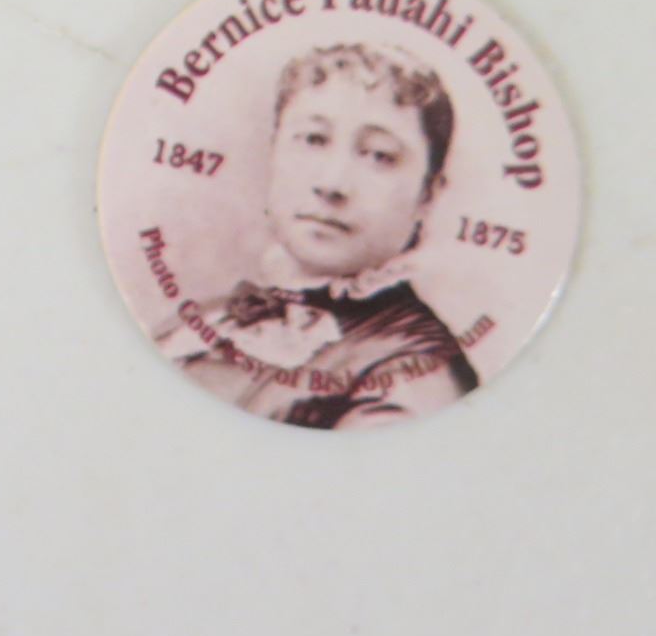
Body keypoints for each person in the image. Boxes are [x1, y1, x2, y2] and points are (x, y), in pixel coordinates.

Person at [155, 43, 480, 429]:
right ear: (273, 151)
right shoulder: (208, 320)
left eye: (379, 155)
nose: (331, 183)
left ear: (428, 194)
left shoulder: (416, 373)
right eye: (313, 139)